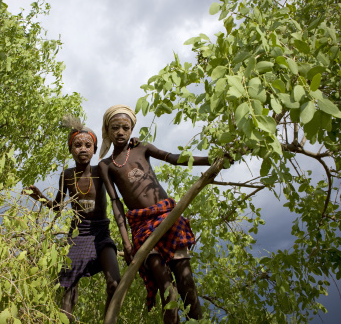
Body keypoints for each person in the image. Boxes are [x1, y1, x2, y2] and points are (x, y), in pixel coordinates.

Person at [98, 105, 209, 324]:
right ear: (107, 131)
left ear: (131, 130)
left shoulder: (142, 148)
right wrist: (127, 243)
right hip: (141, 228)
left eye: (125, 128)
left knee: (186, 283)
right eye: (115, 128)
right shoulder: (105, 165)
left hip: (168, 218)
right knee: (168, 290)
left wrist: (210, 160)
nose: (120, 132)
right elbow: (115, 203)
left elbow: (174, 158)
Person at [23, 116, 121, 321]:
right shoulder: (67, 175)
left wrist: (132, 144)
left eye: (88, 145)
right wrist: (38, 196)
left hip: (101, 234)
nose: (83, 149)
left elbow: (121, 160)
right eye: (77, 145)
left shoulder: (100, 171)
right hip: (78, 234)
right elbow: (57, 207)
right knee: (68, 289)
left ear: (94, 149)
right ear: (70, 149)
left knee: (114, 283)